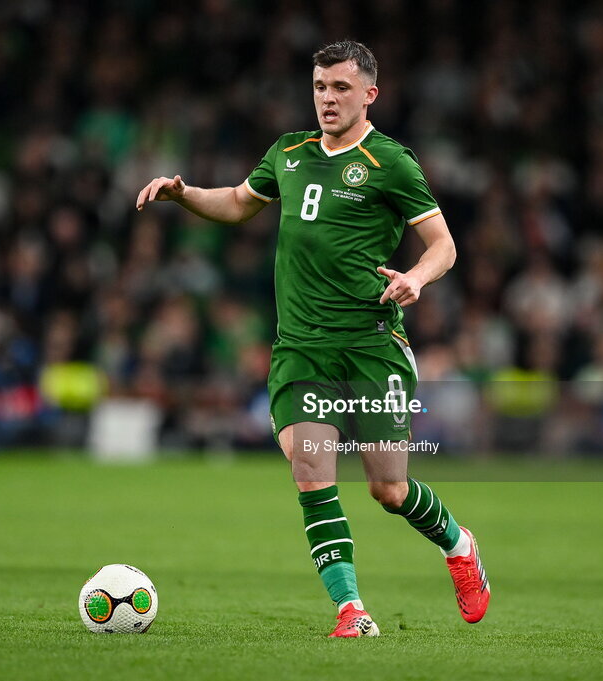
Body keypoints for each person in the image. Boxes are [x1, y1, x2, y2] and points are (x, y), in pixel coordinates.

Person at [136, 40, 489, 638]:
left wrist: (415, 278)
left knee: (388, 487)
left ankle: (459, 546)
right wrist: (185, 194)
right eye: (321, 87)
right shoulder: (289, 152)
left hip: (372, 345)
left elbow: (444, 246)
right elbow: (240, 203)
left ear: (369, 94)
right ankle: (352, 611)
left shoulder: (391, 164)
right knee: (311, 468)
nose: (328, 98)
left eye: (341, 88)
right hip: (302, 349)